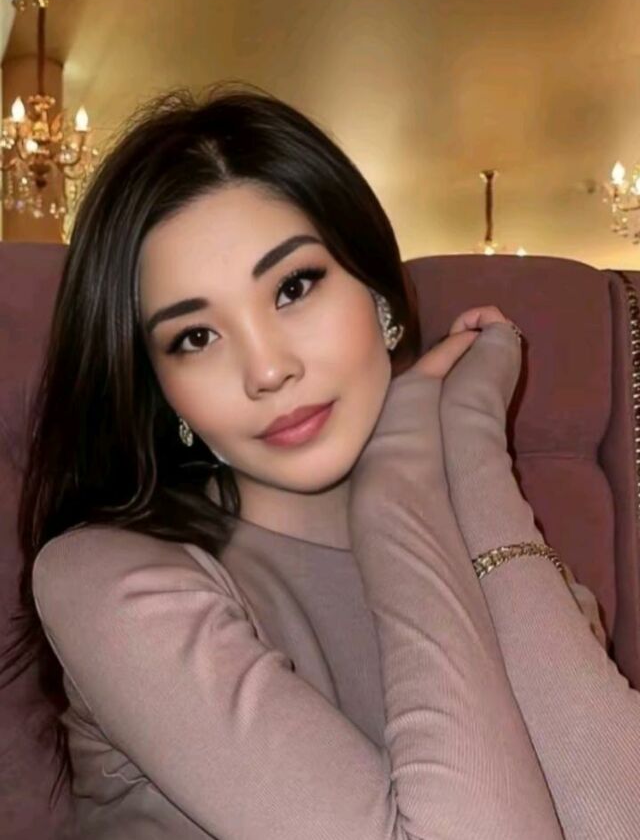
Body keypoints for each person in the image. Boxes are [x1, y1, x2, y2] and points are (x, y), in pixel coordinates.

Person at [3, 83, 638, 839]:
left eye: (293, 287)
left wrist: (470, 445)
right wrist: (402, 468)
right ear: (160, 390)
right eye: (195, 337)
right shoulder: (110, 584)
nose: (268, 370)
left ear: (379, 295)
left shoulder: (485, 543)